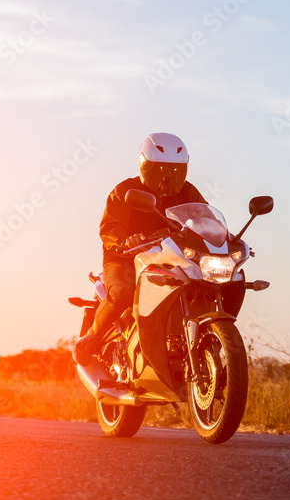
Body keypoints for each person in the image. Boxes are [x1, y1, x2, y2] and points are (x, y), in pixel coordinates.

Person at [73, 133, 205, 366]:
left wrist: (226, 237)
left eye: (174, 172)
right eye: (159, 171)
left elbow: (204, 218)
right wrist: (123, 241)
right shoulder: (125, 190)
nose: (166, 179)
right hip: (125, 257)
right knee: (123, 292)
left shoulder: (188, 193)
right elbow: (111, 226)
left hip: (171, 258)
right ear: (145, 167)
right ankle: (91, 336)